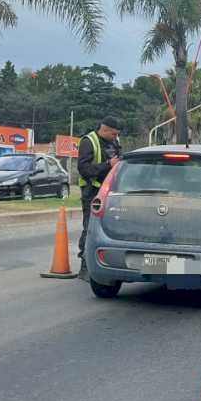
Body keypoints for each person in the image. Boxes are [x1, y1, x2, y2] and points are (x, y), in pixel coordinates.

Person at [77, 117, 122, 280]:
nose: (115, 137)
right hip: (92, 191)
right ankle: (85, 267)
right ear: (105, 130)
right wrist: (108, 164)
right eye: (114, 134)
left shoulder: (114, 143)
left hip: (111, 192)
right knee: (90, 227)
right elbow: (83, 169)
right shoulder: (89, 141)